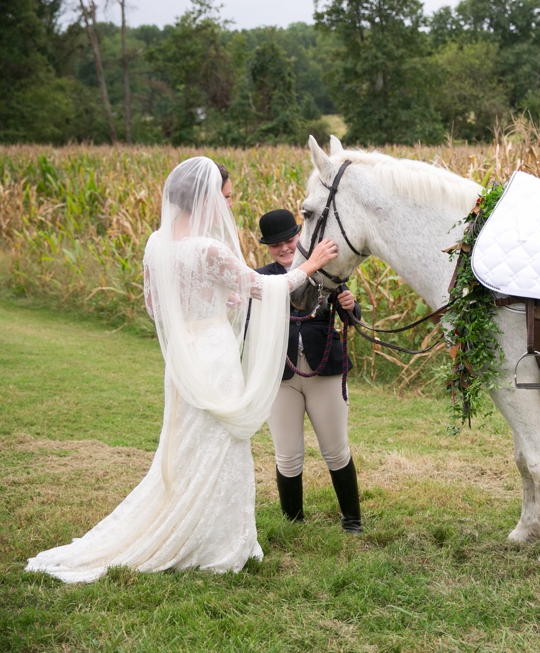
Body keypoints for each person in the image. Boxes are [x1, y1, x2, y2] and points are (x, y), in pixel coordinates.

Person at [25, 157, 340, 583]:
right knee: (221, 444)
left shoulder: (156, 243)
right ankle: (216, 542)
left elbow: (157, 305)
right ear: (206, 198)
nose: (230, 204)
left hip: (182, 357)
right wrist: (311, 263)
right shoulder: (207, 248)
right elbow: (263, 286)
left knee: (189, 443)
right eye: (226, 197)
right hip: (212, 356)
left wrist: (212, 299)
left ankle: (198, 525)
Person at [255, 209, 363, 533]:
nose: (285, 248)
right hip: (281, 376)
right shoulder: (262, 278)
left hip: (324, 370)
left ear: (299, 235)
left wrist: (350, 306)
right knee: (287, 454)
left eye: (289, 239)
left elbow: (351, 319)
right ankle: (293, 522)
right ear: (267, 248)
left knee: (335, 448)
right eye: (276, 245)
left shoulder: (327, 272)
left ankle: (353, 521)